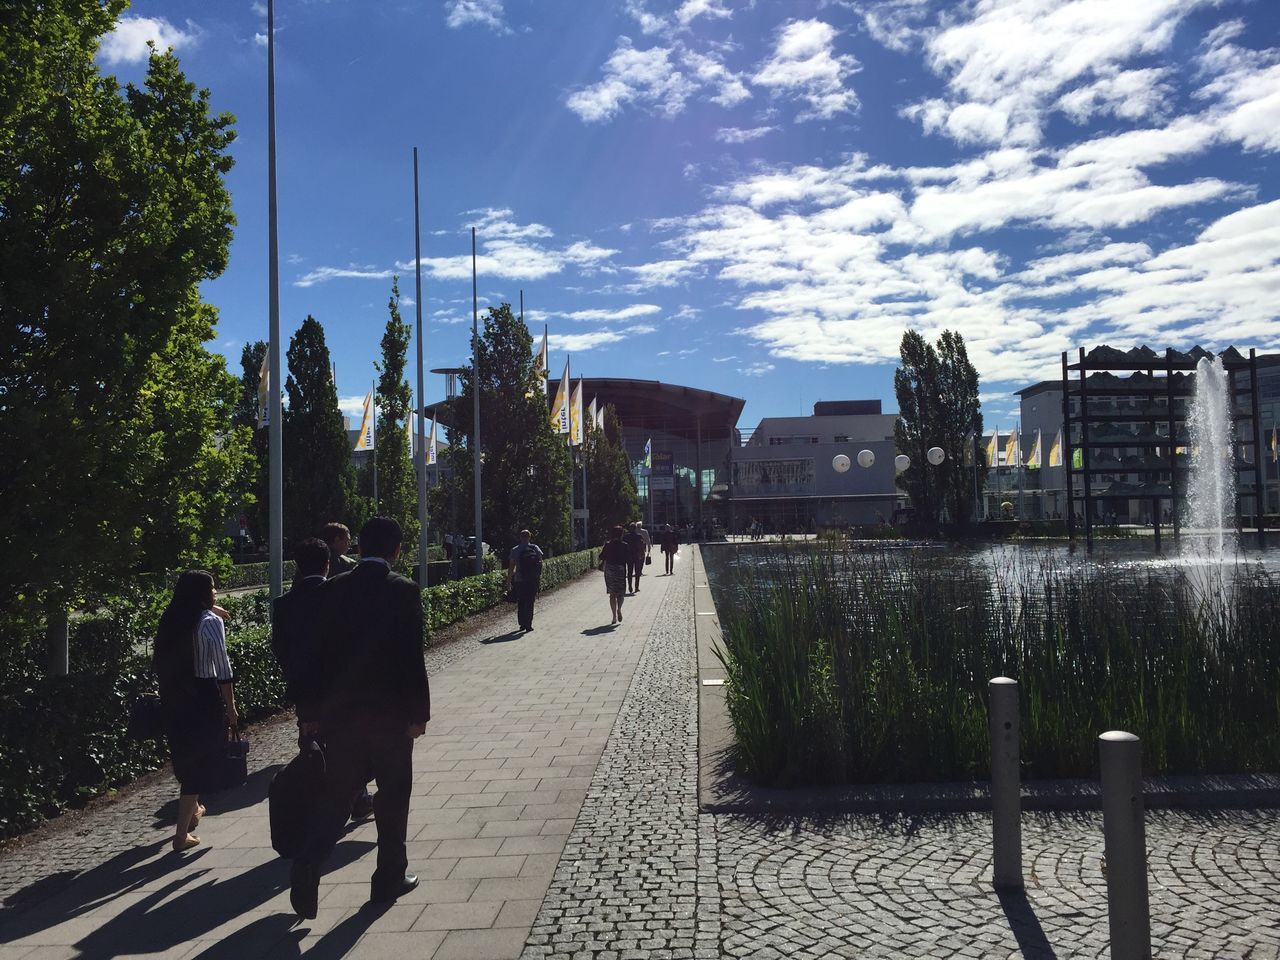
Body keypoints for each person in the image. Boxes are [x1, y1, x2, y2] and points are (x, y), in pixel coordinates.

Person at [290, 517, 431, 919]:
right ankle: (389, 876)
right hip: (389, 717)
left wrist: (312, 712)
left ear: (358, 547)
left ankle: (309, 861)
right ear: (397, 550)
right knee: (393, 794)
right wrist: (418, 714)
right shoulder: (402, 590)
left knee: (338, 794)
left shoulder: (333, 590)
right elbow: (411, 658)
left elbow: (314, 658)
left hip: (342, 715)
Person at [271, 538, 374, 822]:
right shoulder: (343, 595)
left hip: (306, 693)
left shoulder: (283, 605)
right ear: (328, 564)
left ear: (298, 567)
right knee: (349, 744)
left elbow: (281, 650)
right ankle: (355, 800)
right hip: (343, 690)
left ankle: (317, 801)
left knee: (311, 746)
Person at [153, 571, 238, 853]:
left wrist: (210, 606)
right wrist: (232, 708)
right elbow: (223, 670)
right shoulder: (211, 623)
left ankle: (195, 810)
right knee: (201, 763)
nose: (216, 592)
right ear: (203, 594)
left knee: (188, 756)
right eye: (213, 588)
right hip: (205, 696)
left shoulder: (172, 619)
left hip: (175, 698)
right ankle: (181, 835)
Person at [507, 528, 544, 632]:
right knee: (530, 601)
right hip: (532, 579)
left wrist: (509, 581)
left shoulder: (515, 550)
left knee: (521, 601)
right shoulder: (535, 548)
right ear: (530, 537)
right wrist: (538, 576)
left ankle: (522, 623)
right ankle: (528, 624)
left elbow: (511, 567)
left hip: (519, 579)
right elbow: (540, 562)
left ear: (520, 537)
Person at [600, 525, 630, 624]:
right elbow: (628, 558)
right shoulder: (624, 545)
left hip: (609, 570)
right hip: (620, 569)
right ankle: (619, 609)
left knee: (612, 594)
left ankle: (613, 616)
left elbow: (601, 556)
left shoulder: (608, 544)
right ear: (622, 534)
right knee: (620, 593)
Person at [622, 522, 645, 594]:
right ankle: (636, 587)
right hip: (637, 556)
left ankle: (630, 586)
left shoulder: (626, 537)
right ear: (635, 529)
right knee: (637, 572)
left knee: (629, 572)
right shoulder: (639, 536)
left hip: (628, 556)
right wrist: (642, 553)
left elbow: (623, 547)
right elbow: (642, 546)